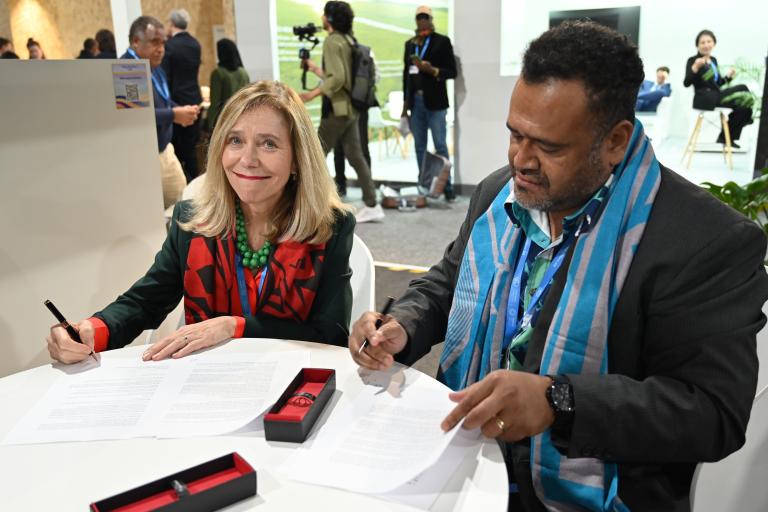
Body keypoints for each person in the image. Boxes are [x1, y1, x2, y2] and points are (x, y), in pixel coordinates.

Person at [348, 21, 768, 511]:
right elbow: (448, 281)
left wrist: (559, 403)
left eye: (548, 147)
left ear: (615, 140)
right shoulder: (498, 194)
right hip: (463, 459)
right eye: (514, 135)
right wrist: (403, 323)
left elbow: (712, 414)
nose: (520, 161)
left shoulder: (702, 241)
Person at [47, 80, 355, 364]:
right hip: (205, 385)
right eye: (236, 140)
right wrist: (91, 330)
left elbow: (330, 337)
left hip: (291, 382)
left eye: (269, 144)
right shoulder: (192, 222)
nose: (247, 159)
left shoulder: (330, 229)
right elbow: (145, 303)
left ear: (298, 160)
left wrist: (234, 326)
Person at [299, 1, 384, 224]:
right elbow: (339, 73)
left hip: (337, 109)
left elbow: (338, 78)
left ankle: (309, 204)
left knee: (313, 155)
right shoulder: (347, 40)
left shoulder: (332, 41)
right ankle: (372, 203)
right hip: (350, 109)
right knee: (355, 155)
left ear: (329, 19)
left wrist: (310, 95)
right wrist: (316, 69)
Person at [121, 16, 199, 209]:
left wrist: (181, 110)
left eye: (163, 43)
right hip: (144, 156)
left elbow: (163, 101)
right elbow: (137, 114)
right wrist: (174, 114)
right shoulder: (128, 69)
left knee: (182, 204)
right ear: (136, 42)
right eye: (155, 43)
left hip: (164, 149)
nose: (161, 49)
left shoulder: (154, 66)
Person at [402, 5, 457, 201]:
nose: (422, 20)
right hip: (416, 102)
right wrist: (404, 107)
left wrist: (432, 70)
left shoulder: (442, 42)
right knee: (419, 146)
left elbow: (452, 72)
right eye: (419, 17)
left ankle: (447, 187)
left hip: (436, 103)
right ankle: (424, 185)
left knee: (441, 146)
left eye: (425, 17)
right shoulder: (410, 44)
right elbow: (406, 76)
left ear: (431, 19)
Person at [684, 29, 753, 148]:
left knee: (744, 107)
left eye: (709, 41)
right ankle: (745, 121)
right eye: (702, 42)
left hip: (716, 94)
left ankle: (726, 137)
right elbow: (686, 83)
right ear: (697, 45)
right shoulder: (692, 60)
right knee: (743, 87)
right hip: (704, 98)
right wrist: (695, 67)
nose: (706, 45)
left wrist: (728, 77)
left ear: (714, 43)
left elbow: (718, 83)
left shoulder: (713, 60)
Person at [163, 8, 203, 182]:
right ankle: (199, 181)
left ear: (171, 24)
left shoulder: (169, 47)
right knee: (192, 146)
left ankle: (186, 184)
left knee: (179, 151)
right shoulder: (195, 44)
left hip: (177, 103)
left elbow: (167, 77)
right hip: (195, 98)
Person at [333, 48, 379, 197]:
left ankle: (342, 187)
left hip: (341, 107)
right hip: (358, 107)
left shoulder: (336, 53)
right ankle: (367, 191)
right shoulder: (366, 52)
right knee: (359, 149)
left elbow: (330, 81)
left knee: (342, 149)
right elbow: (376, 77)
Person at [208, 38, 250, 133]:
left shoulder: (218, 73)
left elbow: (215, 102)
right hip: (243, 118)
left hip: (224, 122)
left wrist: (211, 127)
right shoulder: (244, 72)